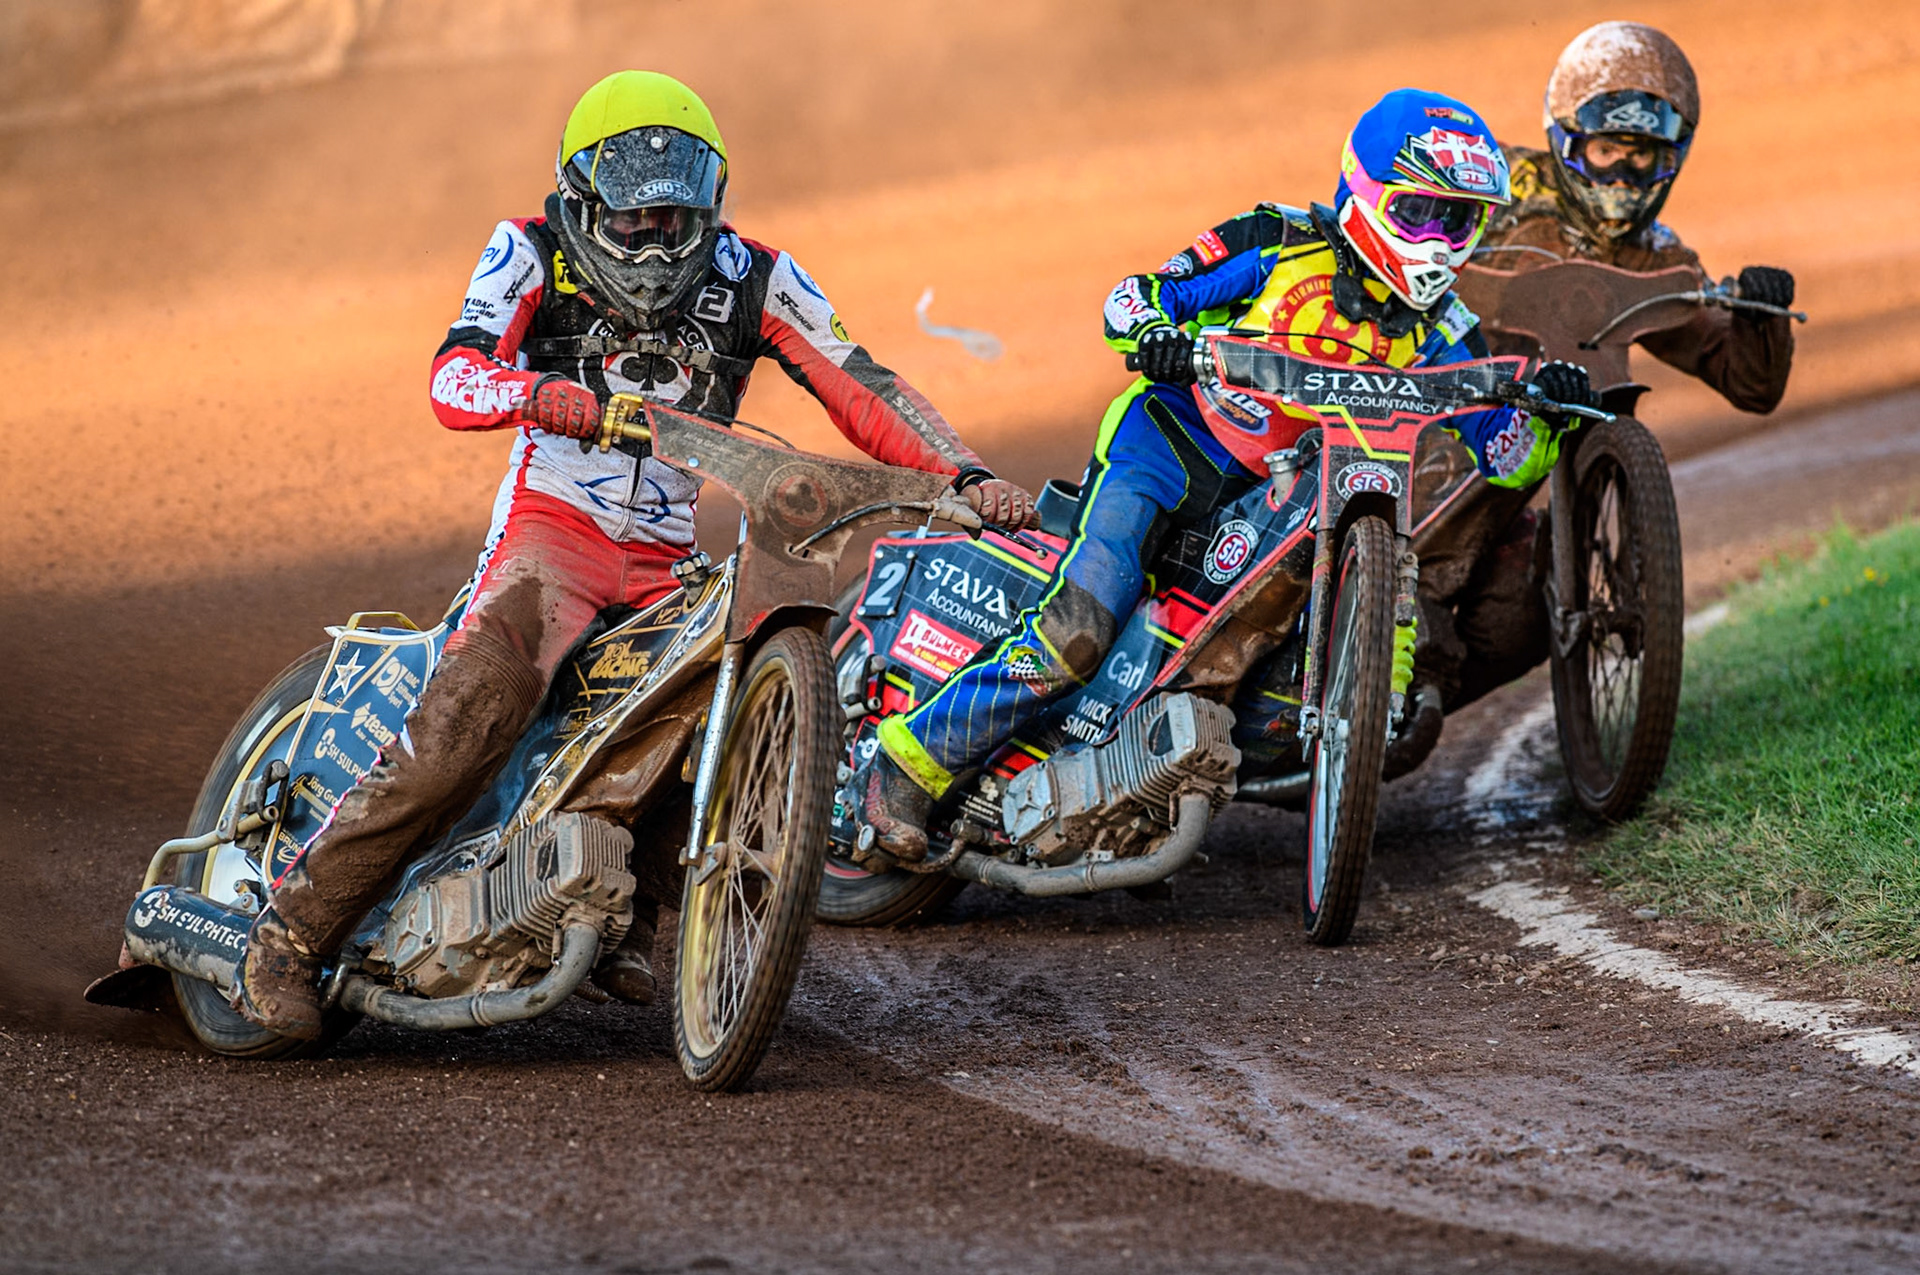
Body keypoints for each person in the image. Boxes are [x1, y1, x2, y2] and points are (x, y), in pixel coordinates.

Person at [236, 71, 1033, 1038]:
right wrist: (536, 395)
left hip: (663, 555)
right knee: (478, 708)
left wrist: (965, 474)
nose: (657, 238)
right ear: (581, 200)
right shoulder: (524, 249)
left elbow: (859, 382)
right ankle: (288, 937)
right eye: (635, 216)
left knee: (704, 720)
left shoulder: (756, 275)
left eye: (675, 216)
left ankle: (629, 921)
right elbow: (455, 377)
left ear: (711, 206)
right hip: (550, 533)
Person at [852, 87, 1598, 861]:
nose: (1440, 243)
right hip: (1170, 448)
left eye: (1459, 220)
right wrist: (1154, 335)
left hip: (1275, 499)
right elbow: (1135, 296)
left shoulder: (1444, 329)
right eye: (1420, 213)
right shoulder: (1276, 238)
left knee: (1267, 668)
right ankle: (907, 766)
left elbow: (1496, 450)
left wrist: (1546, 415)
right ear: (1364, 189)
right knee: (1080, 626)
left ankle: (1155, 786)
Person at [1405, 21, 1796, 733]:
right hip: (1445, 425)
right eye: (1606, 148)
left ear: (1672, 157)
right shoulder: (1494, 193)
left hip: (1555, 447)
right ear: (1565, 137)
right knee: (1432, 532)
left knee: (1520, 618)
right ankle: (1386, 647)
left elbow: (1750, 385)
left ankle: (1411, 706)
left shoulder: (1655, 255)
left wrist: (1761, 318)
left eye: (1640, 156)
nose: (1620, 174)